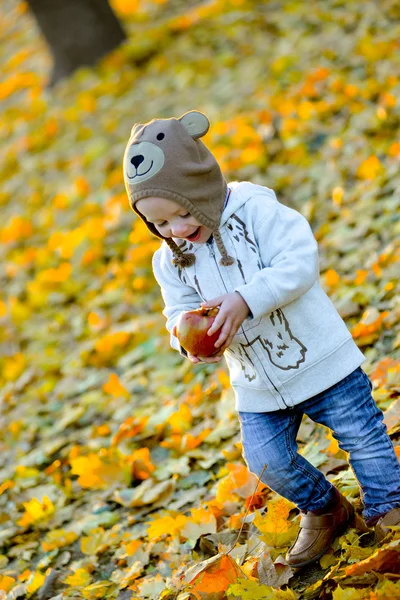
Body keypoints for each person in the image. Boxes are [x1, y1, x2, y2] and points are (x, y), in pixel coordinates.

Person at [123, 110, 400, 567]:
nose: (174, 230)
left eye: (179, 213)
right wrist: (185, 337)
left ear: (202, 187)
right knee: (266, 460)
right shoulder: (171, 259)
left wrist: (246, 299)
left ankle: (388, 507)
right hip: (256, 383)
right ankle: (326, 508)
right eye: (159, 224)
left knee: (362, 436)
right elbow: (176, 311)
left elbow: (299, 260)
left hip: (320, 357)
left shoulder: (254, 211)